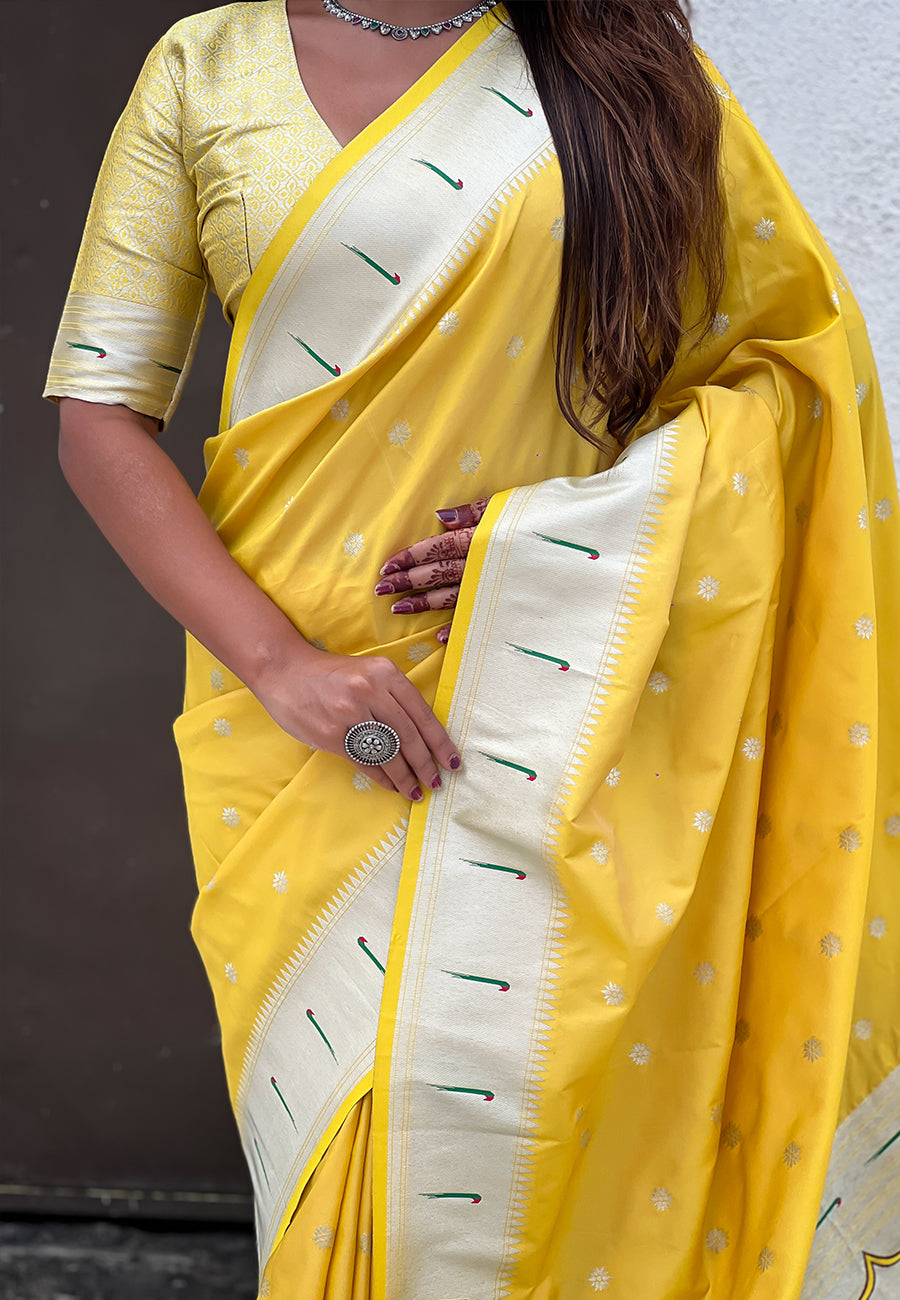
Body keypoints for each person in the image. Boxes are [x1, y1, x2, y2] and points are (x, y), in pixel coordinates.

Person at [44, 1, 899, 1296]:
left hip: (561, 700)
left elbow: (789, 380)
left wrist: (568, 547)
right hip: (295, 726)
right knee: (337, 1141)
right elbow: (99, 417)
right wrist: (283, 668)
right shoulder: (205, 69)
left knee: (537, 1138)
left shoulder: (621, 66)